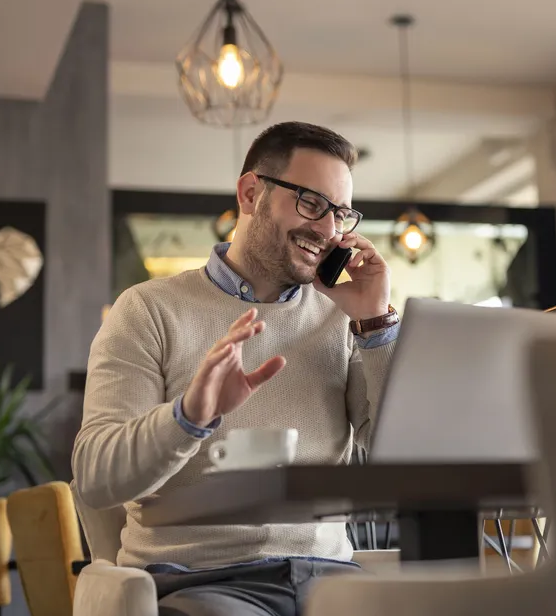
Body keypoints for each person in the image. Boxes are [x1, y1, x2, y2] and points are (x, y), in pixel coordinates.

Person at [72, 122, 400, 616]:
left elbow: (401, 458)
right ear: (250, 194)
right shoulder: (146, 310)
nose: (328, 230)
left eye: (340, 214)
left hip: (329, 578)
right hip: (201, 580)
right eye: (312, 203)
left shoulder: (343, 318)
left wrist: (375, 322)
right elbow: (96, 477)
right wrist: (188, 416)